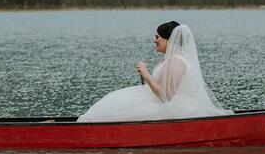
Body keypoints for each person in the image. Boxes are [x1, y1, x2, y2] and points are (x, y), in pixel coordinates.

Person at [76, 21, 231, 122]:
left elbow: (166, 96)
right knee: (114, 102)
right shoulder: (171, 59)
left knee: (116, 109)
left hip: (174, 107)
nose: (154, 40)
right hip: (157, 99)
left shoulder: (177, 62)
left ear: (168, 39)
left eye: (157, 37)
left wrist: (146, 74)